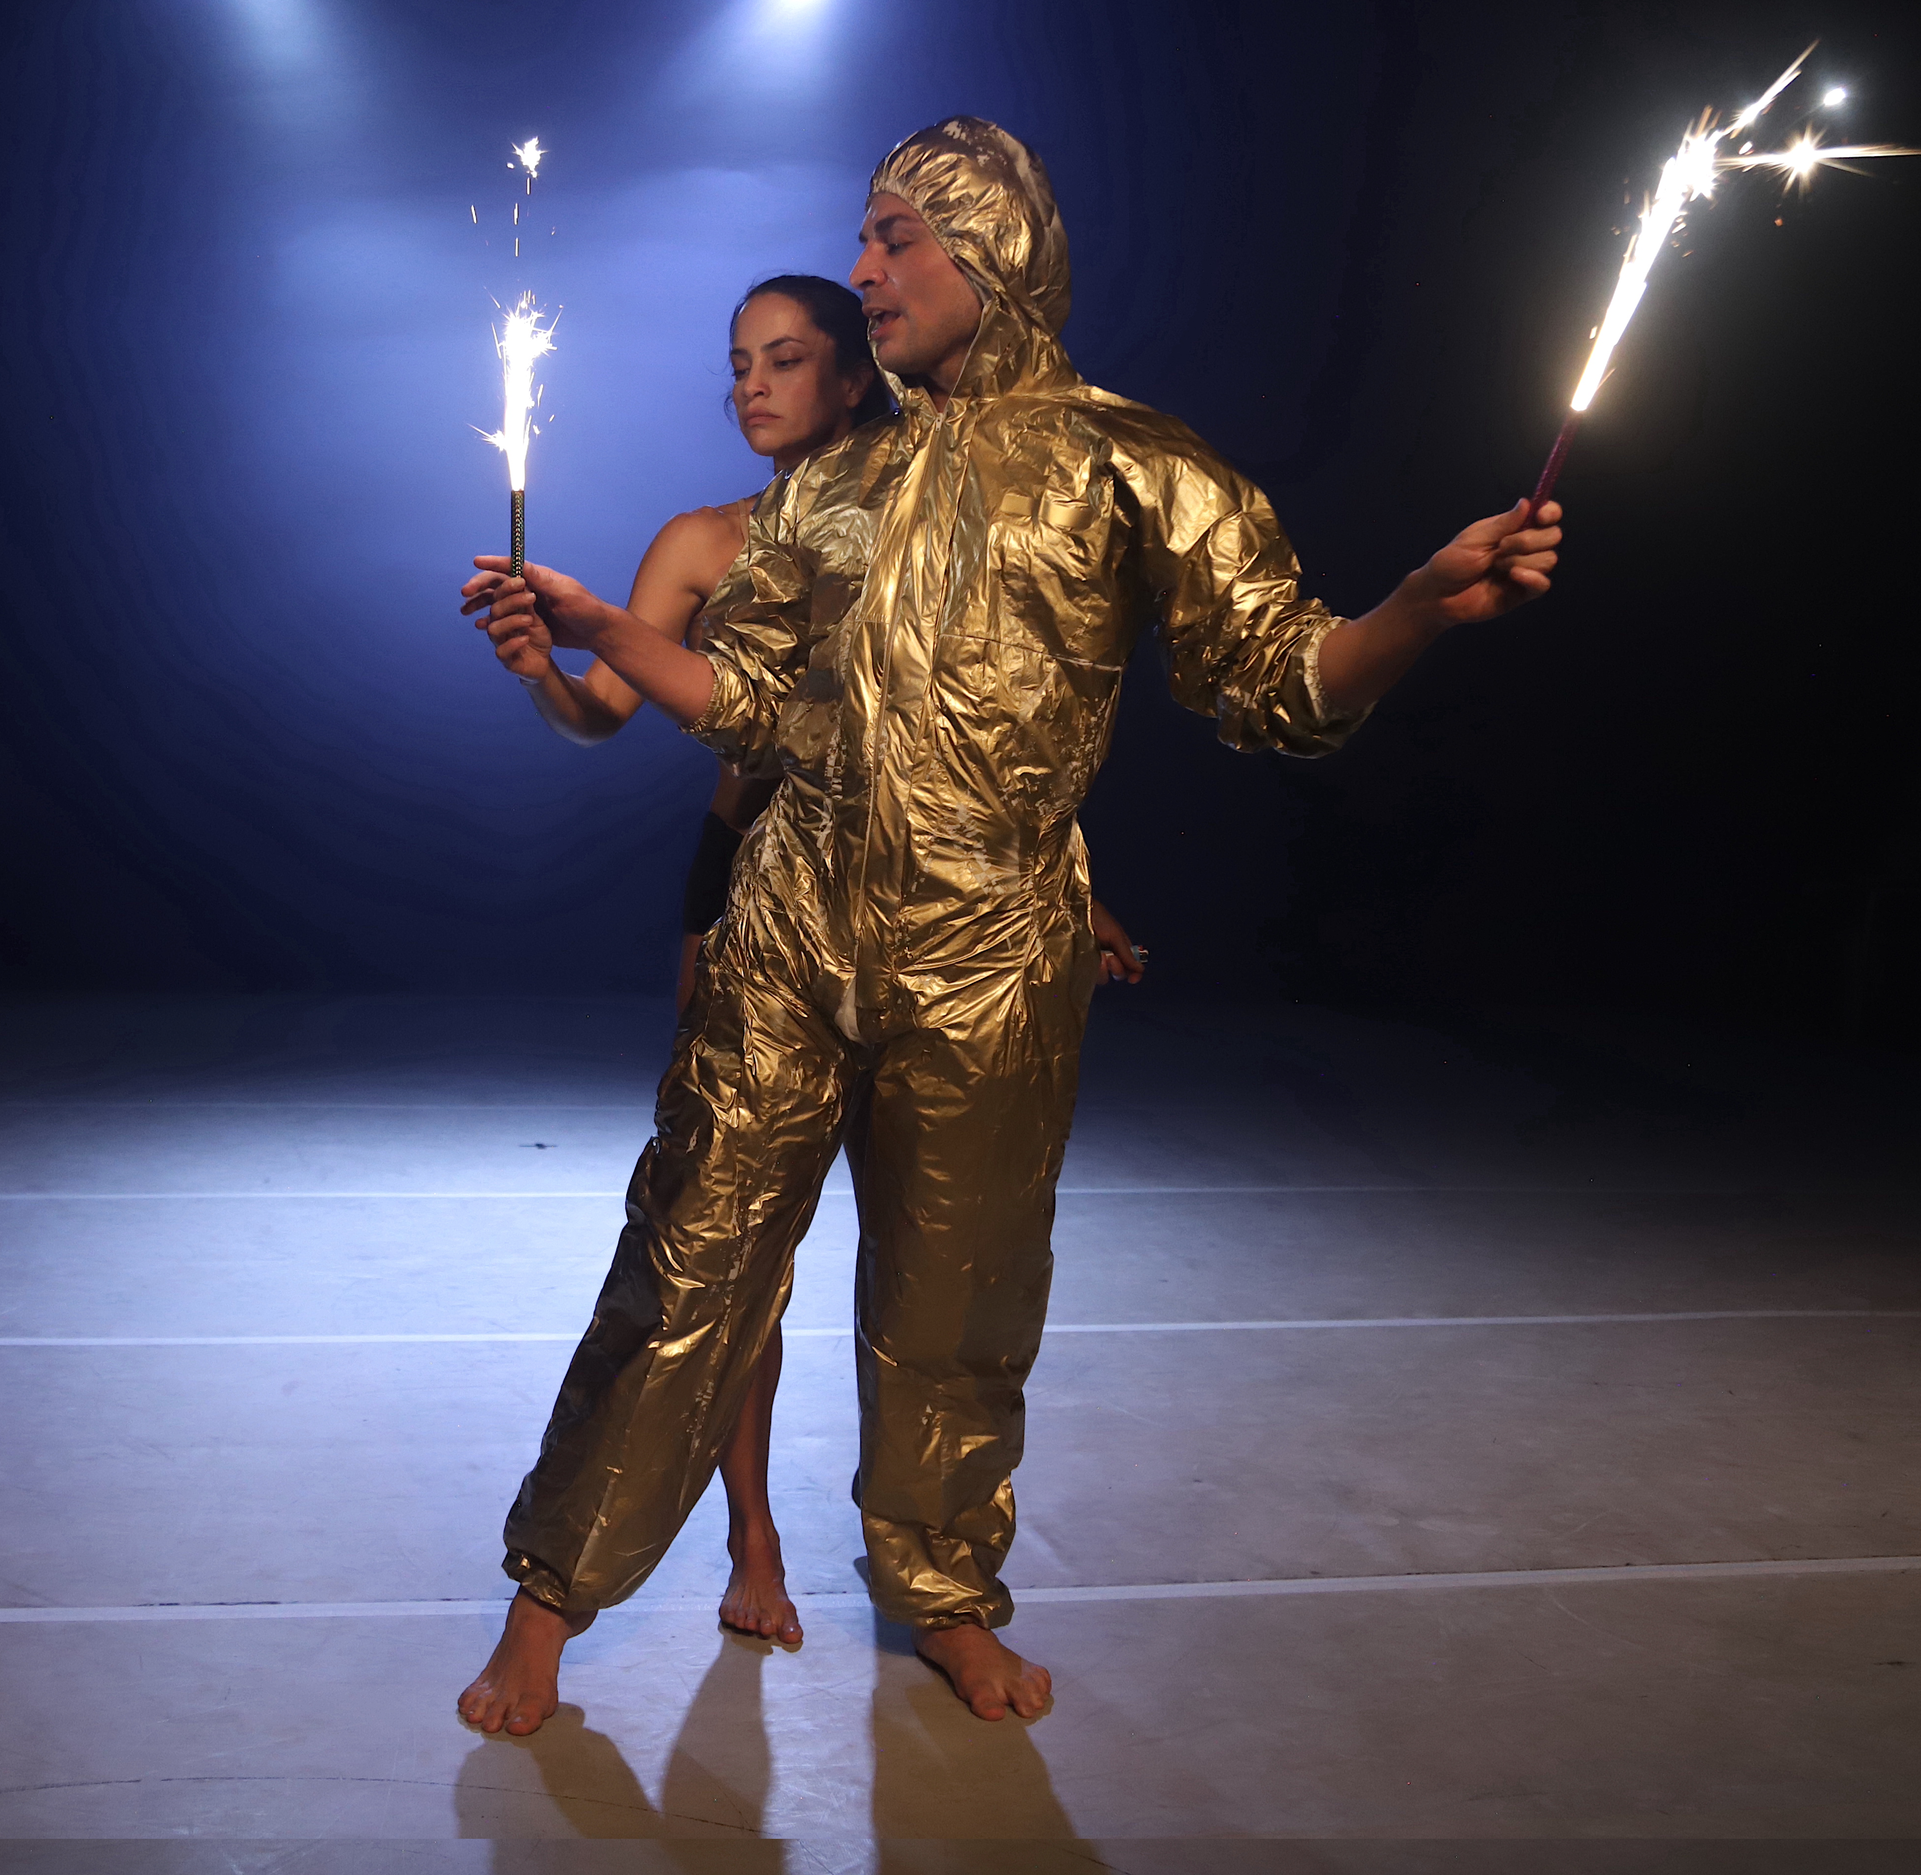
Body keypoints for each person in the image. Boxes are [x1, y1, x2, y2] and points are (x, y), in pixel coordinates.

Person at [457, 118, 1562, 1734]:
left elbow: (1279, 682)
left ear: (994, 246)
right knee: (686, 1256)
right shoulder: (833, 483)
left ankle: (946, 1592)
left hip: (993, 960)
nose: (863, 269)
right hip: (789, 930)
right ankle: (547, 1600)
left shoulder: (1135, 466)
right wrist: (600, 629)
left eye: (895, 236)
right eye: (865, 237)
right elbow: (754, 701)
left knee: (956, 1298)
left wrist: (1411, 610)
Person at [481, 274, 1149, 1653]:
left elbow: (992, 733)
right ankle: (750, 1533)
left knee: (933, 1251)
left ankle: (923, 1564)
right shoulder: (704, 540)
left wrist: (1069, 889)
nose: (752, 386)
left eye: (785, 359)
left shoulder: (934, 518)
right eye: (738, 363)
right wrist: (541, 664)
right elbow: (598, 712)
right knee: (727, 1234)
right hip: (754, 886)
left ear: (857, 378)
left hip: (945, 911)